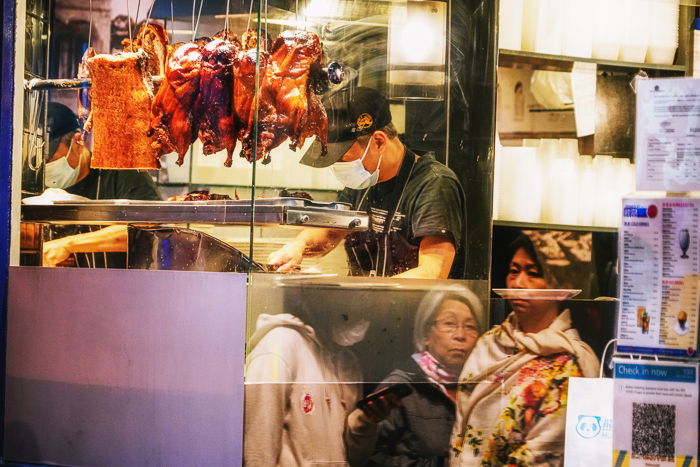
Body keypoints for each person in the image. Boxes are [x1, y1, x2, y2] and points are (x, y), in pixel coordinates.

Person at [267, 87, 466, 279]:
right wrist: (299, 245)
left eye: (343, 157)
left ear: (378, 141)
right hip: (367, 305)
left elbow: (433, 273)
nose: (339, 166)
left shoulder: (434, 184)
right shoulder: (363, 182)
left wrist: (367, 294)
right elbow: (331, 232)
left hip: (413, 309)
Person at [449, 236, 600, 466]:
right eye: (514, 270)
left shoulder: (570, 362)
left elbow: (542, 452)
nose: (518, 282)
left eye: (533, 273)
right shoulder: (488, 343)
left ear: (560, 287)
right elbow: (459, 429)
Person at [345, 285, 483, 467]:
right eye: (449, 324)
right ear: (426, 333)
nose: (460, 335)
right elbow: (372, 457)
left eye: (470, 326)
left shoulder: (482, 386)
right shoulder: (400, 388)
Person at [243, 303, 369, 466]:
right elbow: (258, 449)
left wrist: (365, 421)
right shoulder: (280, 345)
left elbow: (350, 455)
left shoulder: (346, 361)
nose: (360, 318)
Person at [41, 102, 161, 267]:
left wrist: (69, 245)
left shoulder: (122, 172)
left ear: (77, 141)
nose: (46, 165)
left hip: (122, 288)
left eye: (51, 157)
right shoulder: (35, 180)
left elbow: (147, 227)